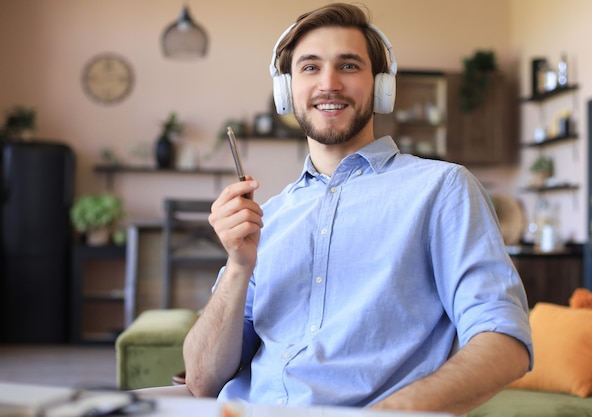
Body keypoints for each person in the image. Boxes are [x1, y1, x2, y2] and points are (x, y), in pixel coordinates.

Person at [182, 3, 532, 415]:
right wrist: (238, 266)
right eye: (310, 68)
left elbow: (505, 340)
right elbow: (202, 379)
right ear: (286, 90)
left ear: (382, 87)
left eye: (348, 66)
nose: (329, 84)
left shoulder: (442, 189)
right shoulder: (270, 218)